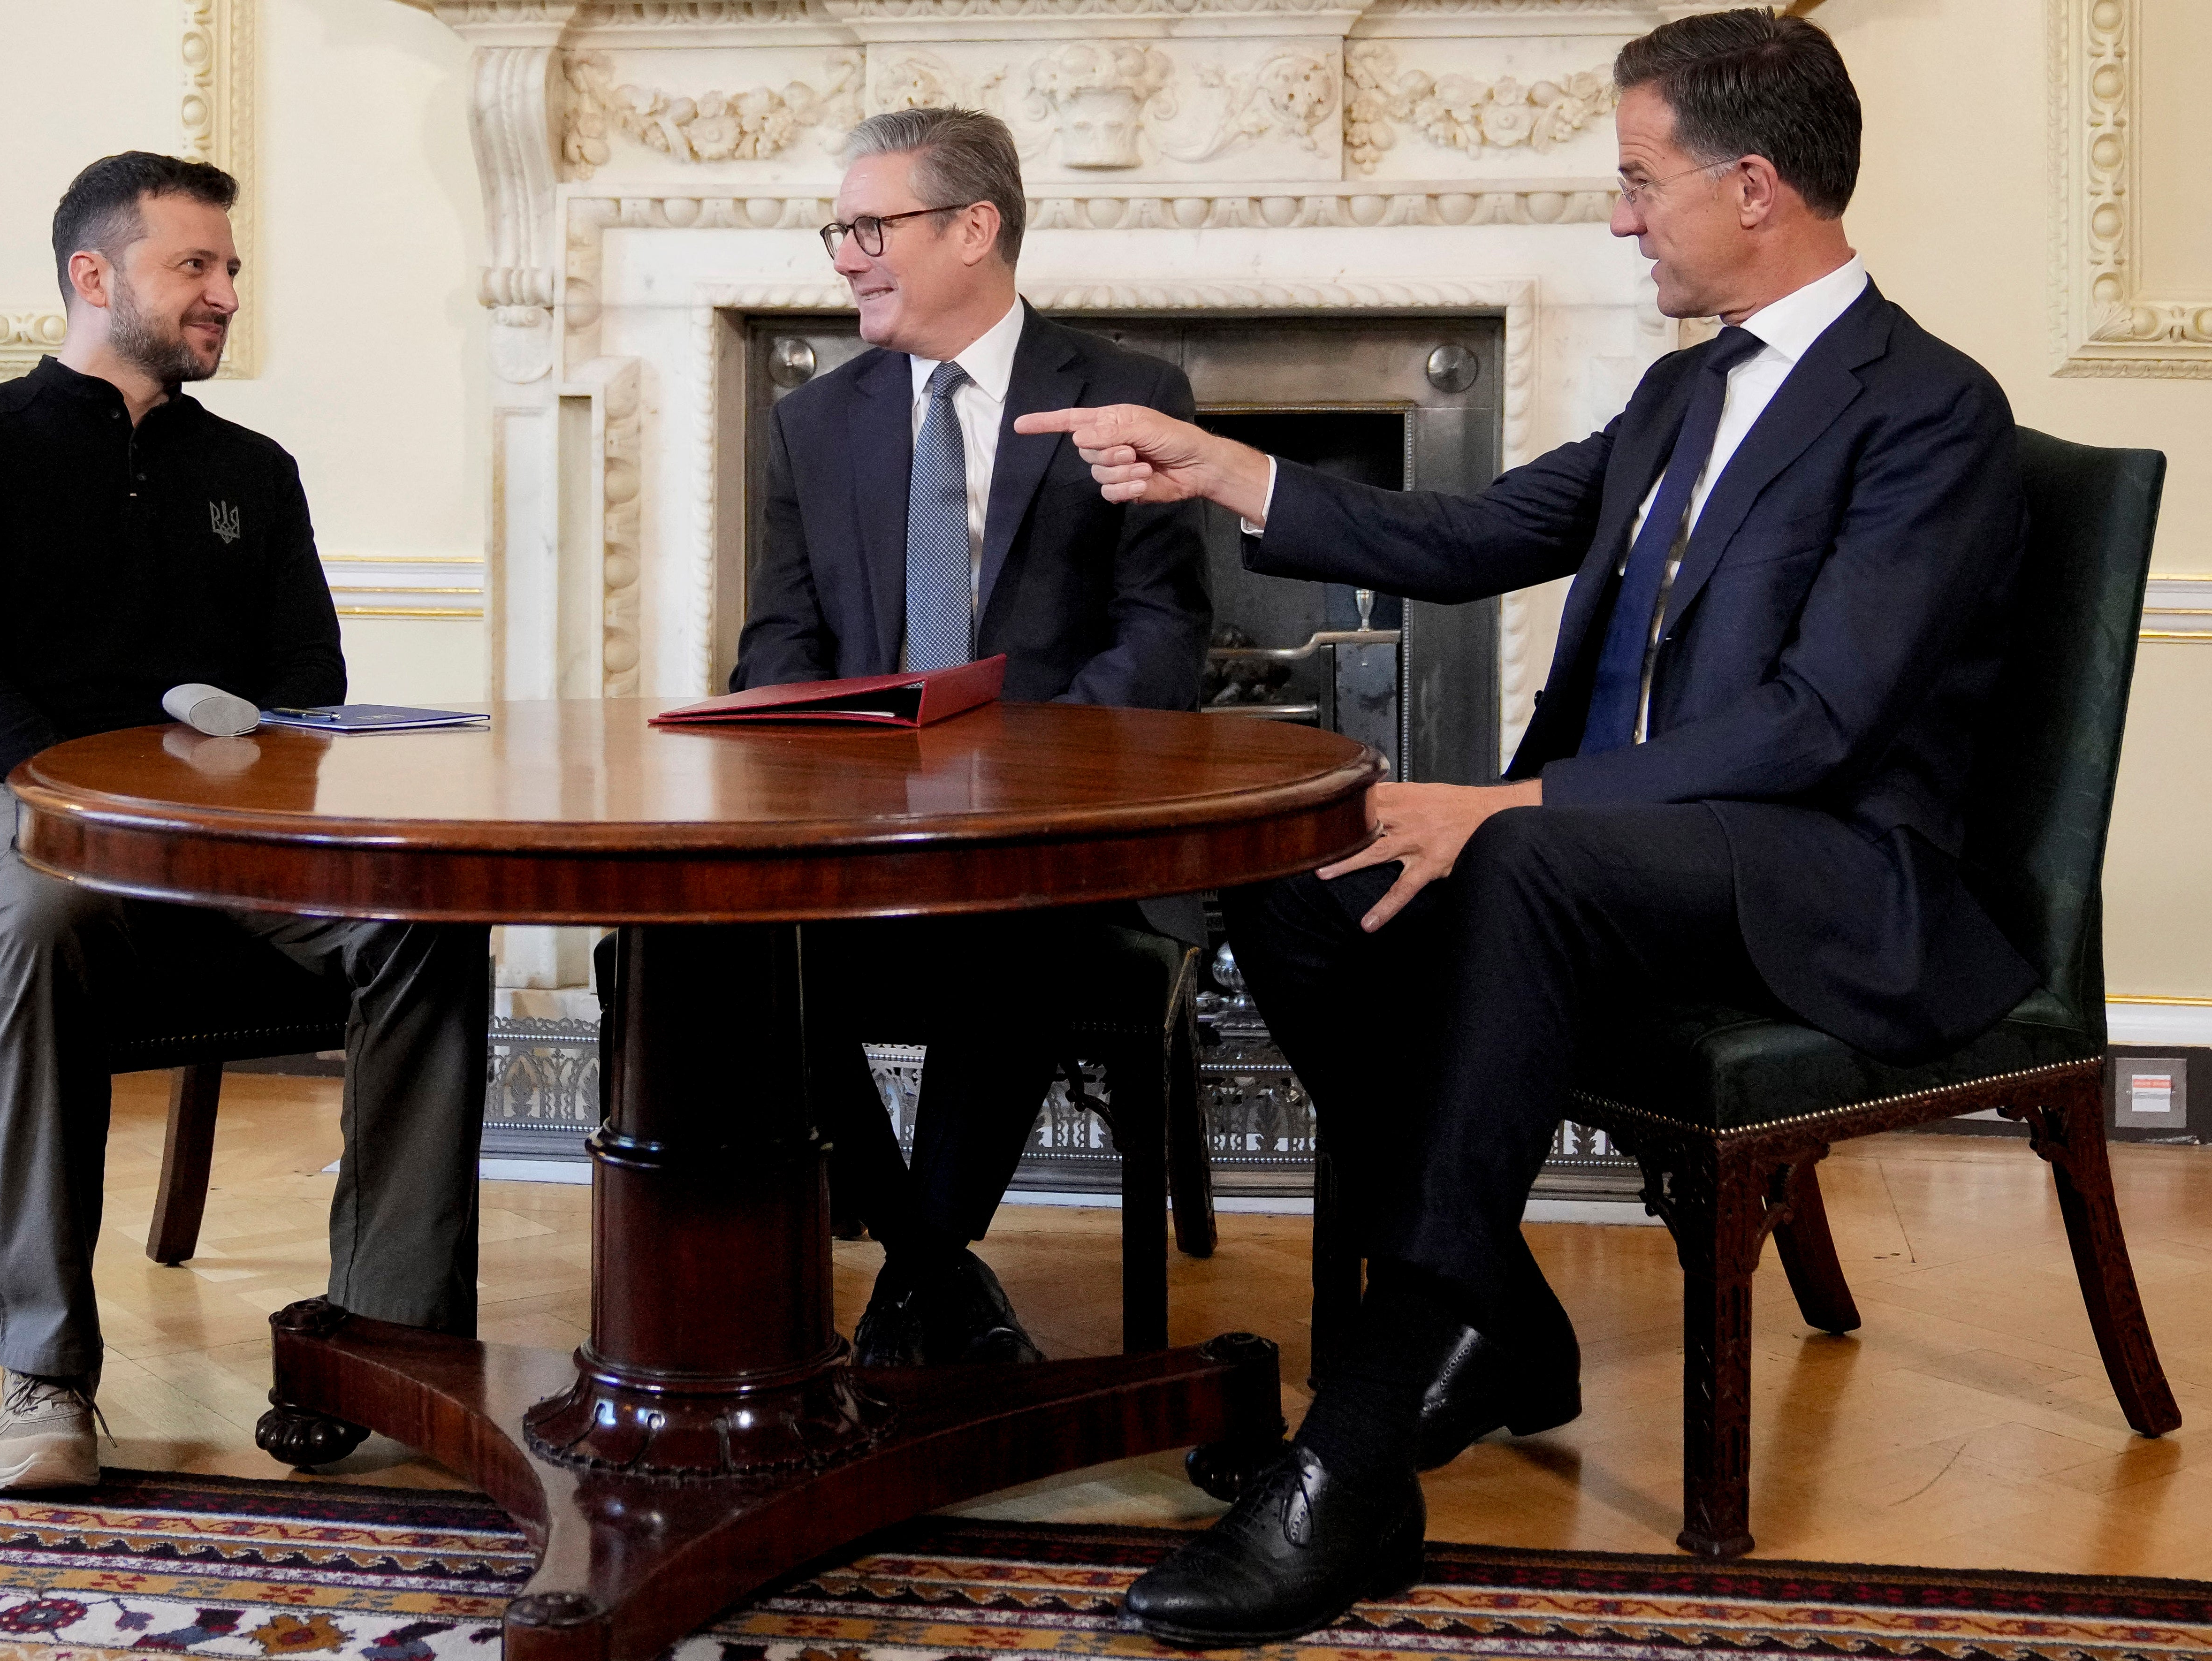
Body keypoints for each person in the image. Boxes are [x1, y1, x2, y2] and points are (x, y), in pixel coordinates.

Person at [1020, 9, 2034, 1643]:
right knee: (1300, 863)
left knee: (1520, 858)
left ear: (1755, 184)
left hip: (1832, 866)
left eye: (1638, 180)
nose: (1618, 216)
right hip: (1619, 854)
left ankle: (1352, 1461)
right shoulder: (1677, 398)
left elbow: (1818, 723)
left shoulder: (1929, 412)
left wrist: (1514, 802)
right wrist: (1224, 467)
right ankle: (1498, 1314)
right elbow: (1473, 528)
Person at [0, 152, 491, 1495]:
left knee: (424, 920)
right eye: (193, 267)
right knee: (39, 915)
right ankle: (45, 1375)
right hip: (14, 811)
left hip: (230, 832)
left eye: (228, 269)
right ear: (95, 277)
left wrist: (221, 793)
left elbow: (307, 688)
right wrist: (102, 797)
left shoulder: (253, 473)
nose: (223, 293)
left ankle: (383, 1346)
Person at [731, 106, 1210, 1368]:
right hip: (860, 830)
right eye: (841, 229)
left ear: (974, 228)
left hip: (1052, 845)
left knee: (1015, 929)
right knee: (702, 948)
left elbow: (1163, 638)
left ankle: (917, 1269)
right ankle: (929, 1261)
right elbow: (778, 645)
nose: (844, 256)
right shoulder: (814, 423)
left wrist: (1028, 768)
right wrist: (823, 772)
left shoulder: (1131, 399)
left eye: (870, 227)